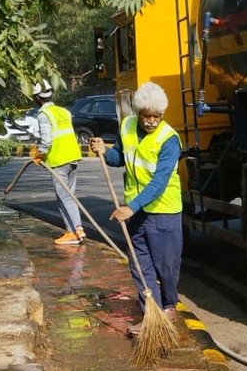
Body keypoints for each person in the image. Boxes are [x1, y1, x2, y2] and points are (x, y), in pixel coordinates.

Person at [90, 82, 183, 324]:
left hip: (164, 212)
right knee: (140, 266)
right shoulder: (128, 126)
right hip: (136, 213)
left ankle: (170, 306)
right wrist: (104, 151)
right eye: (147, 116)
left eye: (157, 116)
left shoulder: (169, 140)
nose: (151, 121)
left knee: (166, 266)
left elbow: (159, 182)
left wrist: (131, 206)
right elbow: (120, 156)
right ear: (138, 112)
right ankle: (151, 312)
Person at [32, 79, 84, 246]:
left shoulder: (44, 114)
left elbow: (47, 140)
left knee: (64, 197)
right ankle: (72, 231)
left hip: (59, 160)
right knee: (68, 196)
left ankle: (76, 230)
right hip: (73, 157)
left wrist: (39, 154)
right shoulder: (63, 111)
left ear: (37, 98)